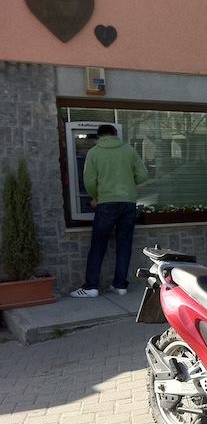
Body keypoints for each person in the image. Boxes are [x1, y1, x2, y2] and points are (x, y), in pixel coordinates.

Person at [70, 124, 148, 298]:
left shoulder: (94, 152)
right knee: (124, 244)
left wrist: (96, 196)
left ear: (99, 136)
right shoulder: (129, 150)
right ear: (115, 135)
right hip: (128, 202)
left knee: (98, 245)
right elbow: (143, 175)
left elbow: (89, 181)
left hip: (105, 202)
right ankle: (120, 286)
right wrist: (128, 184)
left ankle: (91, 287)